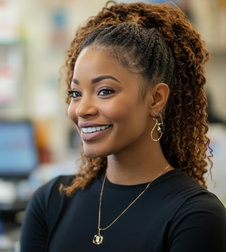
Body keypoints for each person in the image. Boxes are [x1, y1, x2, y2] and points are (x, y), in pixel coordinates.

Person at [21, 2, 226, 252]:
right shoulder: (50, 201)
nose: (81, 109)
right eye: (75, 93)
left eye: (104, 91)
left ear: (155, 99)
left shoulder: (195, 216)